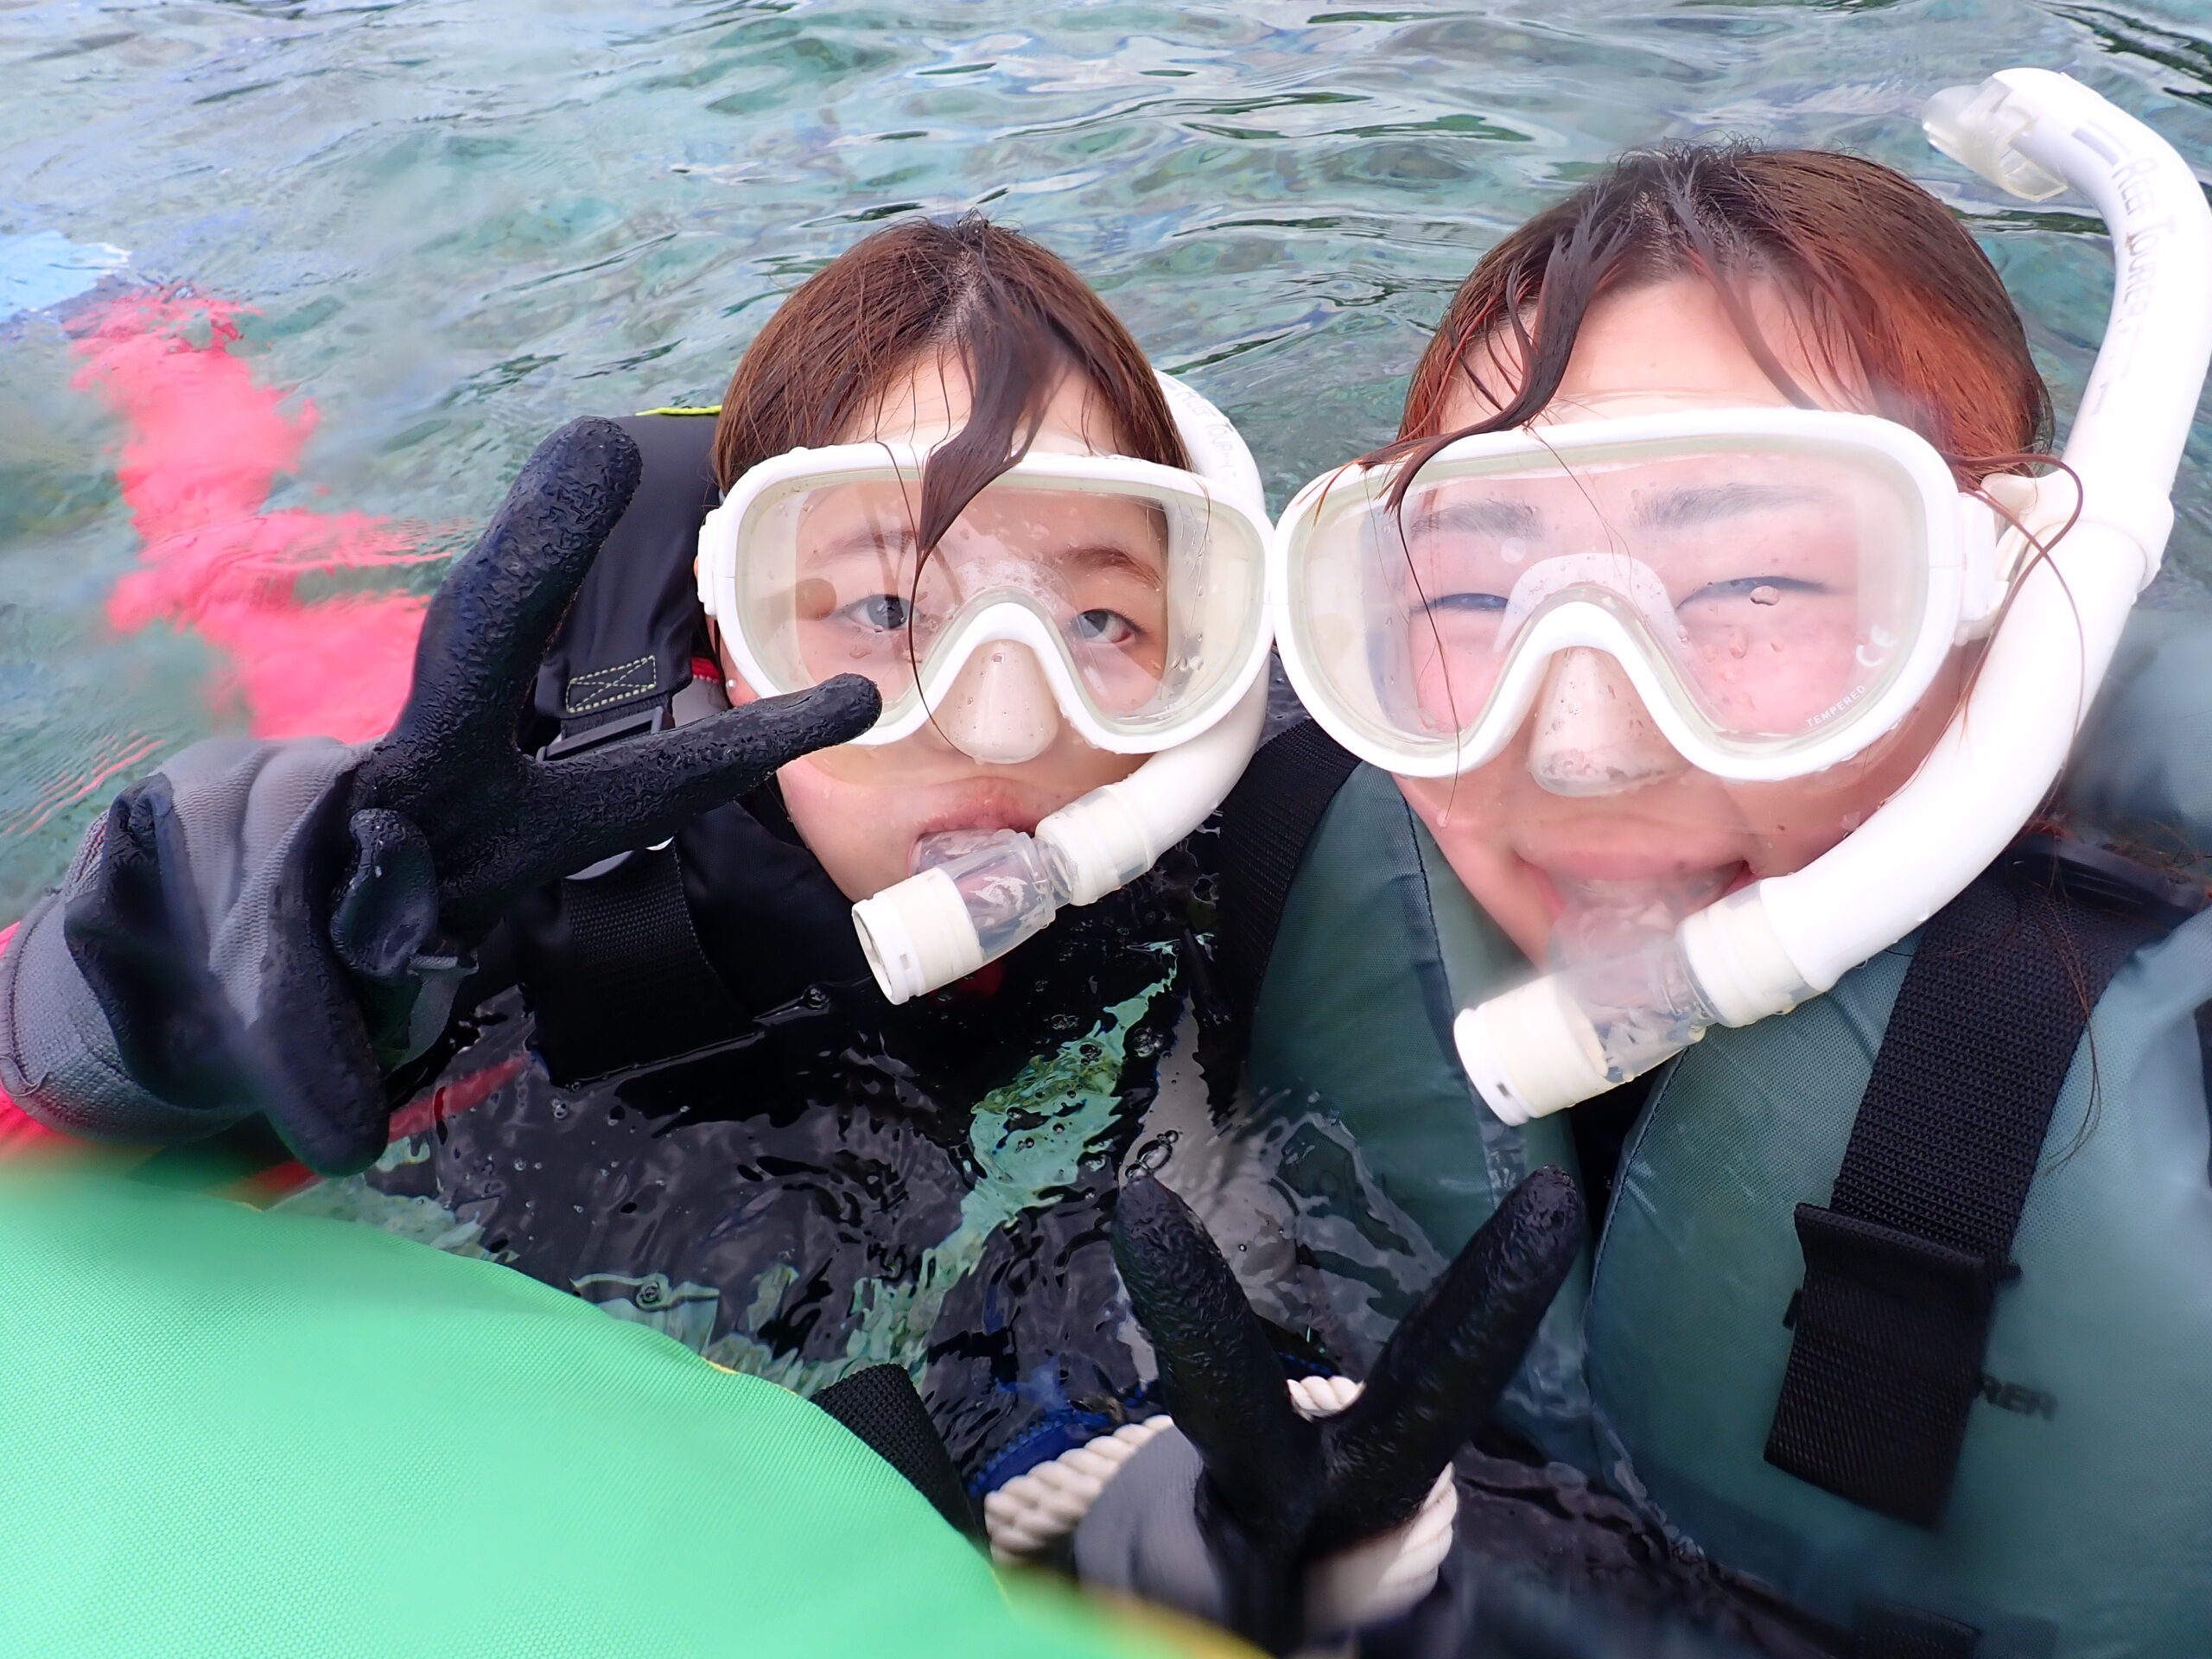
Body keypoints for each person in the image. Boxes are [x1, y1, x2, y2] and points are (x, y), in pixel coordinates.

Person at [0, 216, 1671, 1656]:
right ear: (733, 637)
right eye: (887, 610)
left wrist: (1169, 1518)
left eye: (1098, 619)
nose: (1002, 724)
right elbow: (79, 1098)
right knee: (236, 576)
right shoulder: (521, 884)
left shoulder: (1229, 865)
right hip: (475, 793)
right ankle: (149, 338)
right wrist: (161, 981)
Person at [1062, 67, 2209, 1659]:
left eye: (1750, 582)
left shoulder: (2184, 1097)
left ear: (2006, 607)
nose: (1583, 744)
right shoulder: (1267, 845)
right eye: (1471, 599)